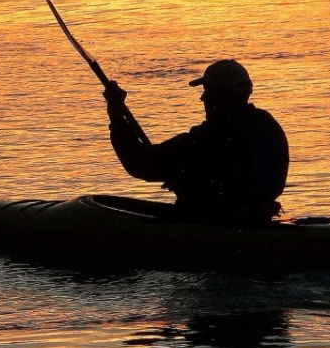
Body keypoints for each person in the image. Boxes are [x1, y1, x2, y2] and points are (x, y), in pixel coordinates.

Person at [103, 59, 288, 225]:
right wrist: (185, 178)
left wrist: (117, 119)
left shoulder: (208, 140)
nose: (203, 98)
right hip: (257, 220)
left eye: (207, 91)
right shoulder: (267, 124)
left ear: (223, 96)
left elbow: (142, 164)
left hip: (216, 225)